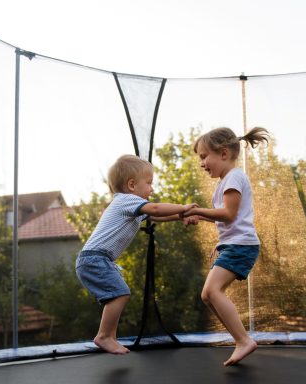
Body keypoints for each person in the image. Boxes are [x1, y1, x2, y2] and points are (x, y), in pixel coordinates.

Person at [76, 154, 197, 355]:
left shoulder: (129, 205)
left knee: (117, 294)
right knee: (120, 293)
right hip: (94, 259)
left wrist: (180, 216)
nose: (152, 188)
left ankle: (109, 336)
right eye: (149, 183)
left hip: (95, 259)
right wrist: (183, 207)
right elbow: (157, 208)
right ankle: (104, 336)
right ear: (132, 185)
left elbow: (158, 215)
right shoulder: (126, 201)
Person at [184, 127, 270, 366]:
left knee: (212, 291)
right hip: (233, 245)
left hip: (241, 246)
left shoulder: (234, 177)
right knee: (207, 294)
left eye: (203, 156)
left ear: (223, 153)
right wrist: (201, 217)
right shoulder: (225, 182)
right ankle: (241, 340)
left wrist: (198, 210)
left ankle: (243, 340)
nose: (202, 163)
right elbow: (226, 217)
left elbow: (229, 214)